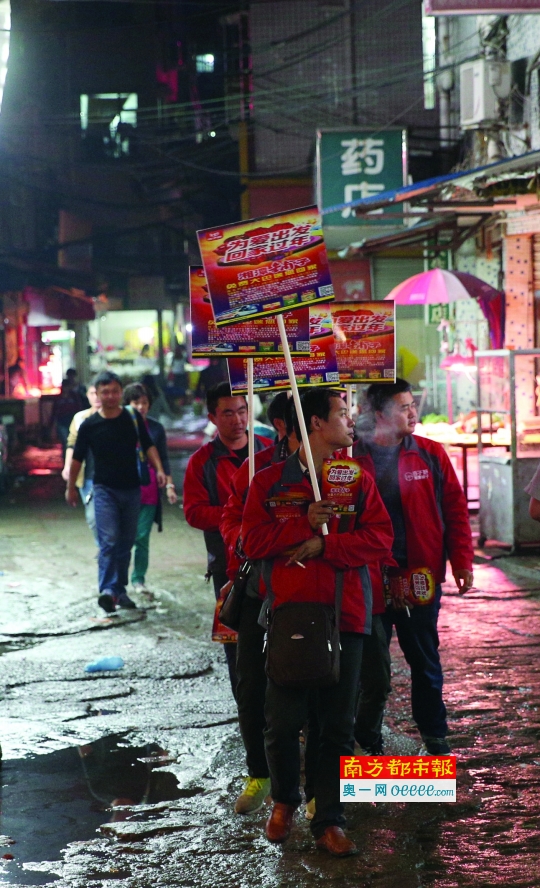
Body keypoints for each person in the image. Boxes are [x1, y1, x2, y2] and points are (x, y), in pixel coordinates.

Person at [242, 388, 394, 857]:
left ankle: (329, 819)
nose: (351, 422)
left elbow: (380, 539)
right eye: (342, 415)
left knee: (336, 726)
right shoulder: (268, 483)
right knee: (282, 722)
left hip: (347, 615)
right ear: (315, 424)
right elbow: (249, 542)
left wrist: (327, 546)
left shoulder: (358, 480)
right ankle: (285, 800)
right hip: (290, 616)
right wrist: (302, 523)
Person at [353, 378, 474, 755]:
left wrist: (462, 561)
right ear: (379, 415)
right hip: (370, 579)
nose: (412, 412)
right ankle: (367, 738)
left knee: (425, 660)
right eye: (403, 407)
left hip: (419, 577)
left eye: (411, 405)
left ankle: (435, 738)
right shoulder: (350, 459)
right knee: (371, 670)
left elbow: (455, 511)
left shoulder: (430, 454)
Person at [219, 392, 298, 815]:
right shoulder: (256, 469)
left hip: (319, 598)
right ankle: (260, 774)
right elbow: (231, 520)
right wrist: (242, 541)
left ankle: (326, 788)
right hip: (258, 594)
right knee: (251, 688)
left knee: (330, 691)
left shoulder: (345, 472)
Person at [183, 382, 272, 699]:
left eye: (242, 411)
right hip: (228, 568)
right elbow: (194, 512)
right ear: (212, 417)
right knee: (237, 646)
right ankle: (248, 713)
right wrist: (236, 516)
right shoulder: (202, 462)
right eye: (228, 413)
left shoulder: (268, 451)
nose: (237, 419)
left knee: (276, 640)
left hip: (273, 560)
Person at [65, 371, 166, 614]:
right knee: (108, 541)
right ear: (96, 394)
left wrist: (160, 470)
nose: (110, 396)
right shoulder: (89, 425)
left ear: (120, 392)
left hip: (132, 490)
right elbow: (77, 457)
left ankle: (120, 590)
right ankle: (108, 590)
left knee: (126, 543)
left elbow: (149, 445)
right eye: (105, 392)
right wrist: (70, 487)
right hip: (104, 490)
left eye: (114, 391)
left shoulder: (131, 418)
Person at [123, 382, 178, 594]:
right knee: (125, 536)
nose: (140, 407)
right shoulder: (120, 425)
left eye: (144, 402)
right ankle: (119, 579)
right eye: (136, 402)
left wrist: (170, 486)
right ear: (127, 403)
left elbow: (163, 458)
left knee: (142, 535)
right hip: (125, 486)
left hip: (150, 488)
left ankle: (138, 578)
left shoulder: (155, 428)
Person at [62, 382, 101, 545]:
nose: (97, 397)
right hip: (87, 475)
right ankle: (105, 550)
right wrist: (67, 466)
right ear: (87, 396)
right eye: (93, 393)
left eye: (99, 393)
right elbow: (72, 443)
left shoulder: (120, 418)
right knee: (93, 518)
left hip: (111, 476)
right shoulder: (80, 418)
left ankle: (108, 552)